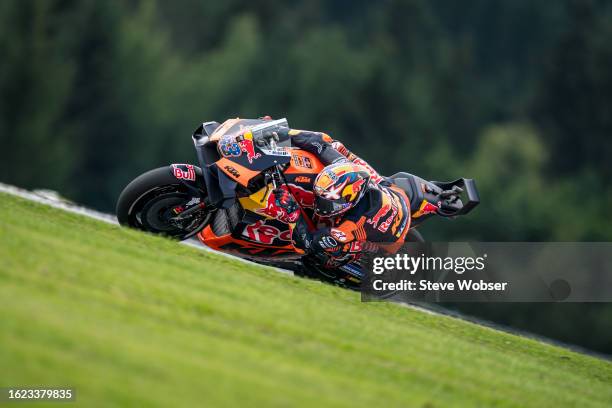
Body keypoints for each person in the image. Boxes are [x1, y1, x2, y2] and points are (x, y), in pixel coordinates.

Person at [270, 127, 412, 267]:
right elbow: (318, 140)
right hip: (391, 190)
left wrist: (293, 212)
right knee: (336, 146)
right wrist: (281, 133)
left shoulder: (352, 226)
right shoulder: (342, 165)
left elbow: (307, 245)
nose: (318, 205)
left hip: (388, 242)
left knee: (330, 252)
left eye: (328, 204)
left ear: (349, 202)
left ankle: (342, 263)